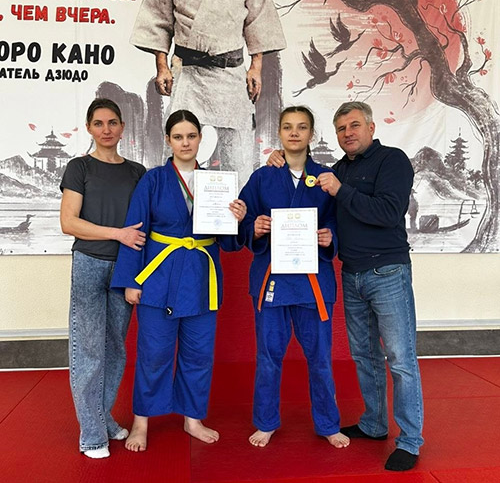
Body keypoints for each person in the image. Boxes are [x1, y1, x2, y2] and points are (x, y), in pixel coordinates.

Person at [110, 109, 247, 451]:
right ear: (168, 140)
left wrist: (237, 219)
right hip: (158, 276)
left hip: (201, 278)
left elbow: (228, 243)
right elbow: (135, 230)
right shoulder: (153, 180)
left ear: (200, 139)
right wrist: (130, 280)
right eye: (178, 137)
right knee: (153, 353)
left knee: (199, 353)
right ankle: (141, 420)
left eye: (191, 136)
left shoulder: (216, 183)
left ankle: (192, 418)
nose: (185, 143)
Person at [130, 0, 286, 185]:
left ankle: (239, 208)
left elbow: (258, 20)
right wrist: (162, 66)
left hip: (230, 72)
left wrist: (256, 66)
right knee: (181, 145)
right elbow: (158, 18)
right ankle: (178, 205)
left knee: (237, 152)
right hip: (189, 73)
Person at [316, 101, 424, 472]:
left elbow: (388, 213)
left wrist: (341, 191)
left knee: (400, 359)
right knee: (364, 356)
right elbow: (334, 219)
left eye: (354, 125)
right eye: (341, 128)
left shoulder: (392, 160)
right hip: (351, 274)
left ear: (371, 127)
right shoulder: (337, 170)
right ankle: (374, 424)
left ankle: (409, 441)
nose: (348, 133)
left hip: (388, 272)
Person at [239, 106, 350, 449]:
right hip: (272, 279)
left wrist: (331, 235)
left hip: (312, 282)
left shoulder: (327, 178)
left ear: (311, 134)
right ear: (279, 133)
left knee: (320, 358)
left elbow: (340, 220)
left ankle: (328, 423)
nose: (294, 133)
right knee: (268, 356)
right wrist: (254, 227)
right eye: (287, 127)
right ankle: (266, 421)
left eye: (302, 127)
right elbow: (243, 217)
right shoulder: (263, 176)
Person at [60, 98, 146, 459]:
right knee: (89, 350)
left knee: (115, 350)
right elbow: (69, 223)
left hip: (125, 268)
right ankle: (92, 435)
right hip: (89, 264)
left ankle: (102, 417)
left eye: (112, 123)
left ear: (122, 128)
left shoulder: (137, 171)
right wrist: (117, 234)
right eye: (98, 123)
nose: (106, 129)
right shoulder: (79, 167)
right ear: (89, 128)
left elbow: (147, 222)